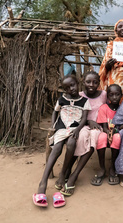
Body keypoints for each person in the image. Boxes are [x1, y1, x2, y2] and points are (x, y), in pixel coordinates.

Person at [33, 75, 90, 207]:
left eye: (73, 85)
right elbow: (55, 112)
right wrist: (53, 125)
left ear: (77, 83)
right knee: (57, 148)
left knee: (71, 144)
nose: (71, 89)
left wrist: (77, 130)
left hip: (75, 129)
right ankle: (43, 182)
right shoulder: (62, 100)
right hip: (61, 128)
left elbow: (84, 118)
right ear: (64, 90)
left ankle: (63, 173)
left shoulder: (84, 101)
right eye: (67, 88)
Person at [57, 71, 107, 196]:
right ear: (83, 82)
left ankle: (74, 175)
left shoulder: (103, 95)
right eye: (88, 82)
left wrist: (100, 123)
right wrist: (88, 121)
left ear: (99, 83)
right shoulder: (79, 95)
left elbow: (106, 110)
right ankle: (67, 170)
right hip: (81, 125)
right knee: (81, 137)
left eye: (95, 82)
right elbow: (71, 112)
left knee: (93, 139)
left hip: (98, 126)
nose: (91, 85)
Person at [91, 84, 123, 186]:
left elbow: (121, 125)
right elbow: (104, 127)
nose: (114, 97)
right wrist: (108, 132)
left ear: (121, 95)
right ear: (107, 96)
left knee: (117, 138)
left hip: (118, 132)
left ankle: (112, 167)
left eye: (117, 94)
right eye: (111, 95)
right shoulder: (104, 108)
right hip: (106, 131)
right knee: (102, 137)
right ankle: (102, 168)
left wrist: (114, 132)